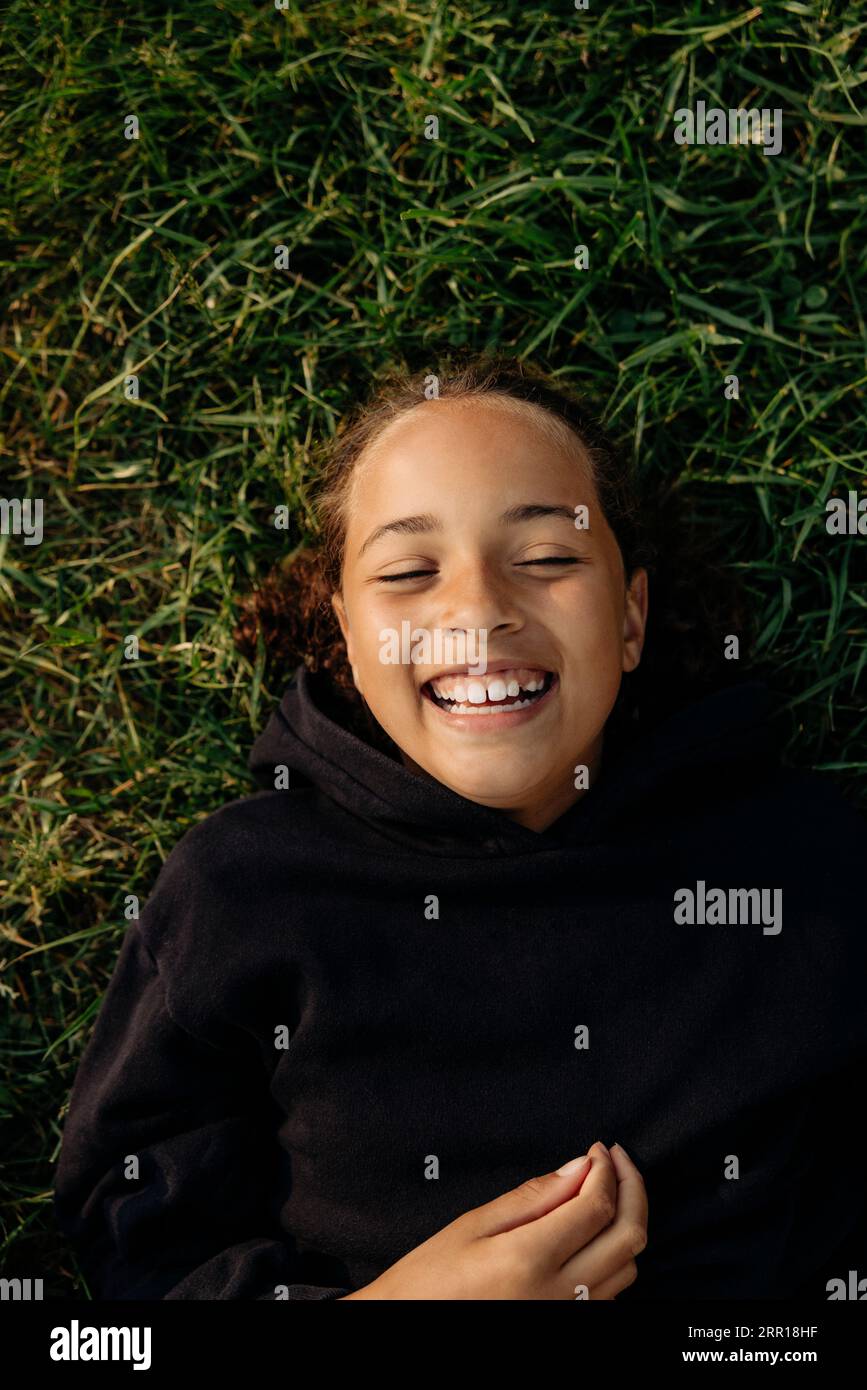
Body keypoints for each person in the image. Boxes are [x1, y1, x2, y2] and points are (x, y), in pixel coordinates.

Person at [53, 354, 866, 1300]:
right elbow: (129, 1237)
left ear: (632, 616)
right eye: (406, 571)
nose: (477, 609)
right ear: (348, 635)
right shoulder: (243, 885)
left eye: (546, 558)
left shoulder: (801, 863)